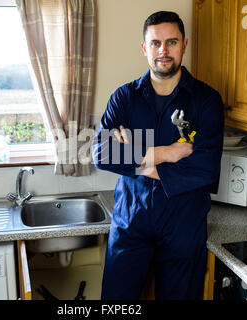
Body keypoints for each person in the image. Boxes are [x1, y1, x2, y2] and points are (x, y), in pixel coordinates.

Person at [92, 11, 224, 299]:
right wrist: (165, 153)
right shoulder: (123, 98)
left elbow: (205, 168)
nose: (163, 51)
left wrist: (132, 155)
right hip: (131, 221)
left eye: (171, 42)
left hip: (183, 225)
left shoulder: (207, 101)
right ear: (144, 48)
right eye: (155, 43)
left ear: (184, 45)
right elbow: (101, 153)